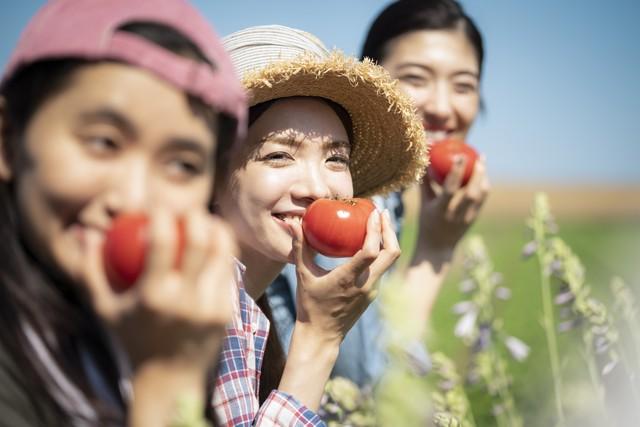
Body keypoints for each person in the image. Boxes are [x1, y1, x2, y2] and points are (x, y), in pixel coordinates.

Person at [0, 1, 246, 426]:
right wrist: (166, 381)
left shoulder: (149, 328)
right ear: (7, 141)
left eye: (182, 165)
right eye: (103, 142)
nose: (134, 201)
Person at [267, 0, 491, 388]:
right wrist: (434, 254)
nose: (441, 107)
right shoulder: (335, 198)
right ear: (373, 85)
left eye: (463, 86)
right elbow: (366, 389)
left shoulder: (391, 197)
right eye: (417, 78)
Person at [211, 25, 427, 426]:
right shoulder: (202, 301)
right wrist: (320, 337)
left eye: (335, 158)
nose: (316, 188)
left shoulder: (248, 308)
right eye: (278, 156)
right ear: (210, 171)